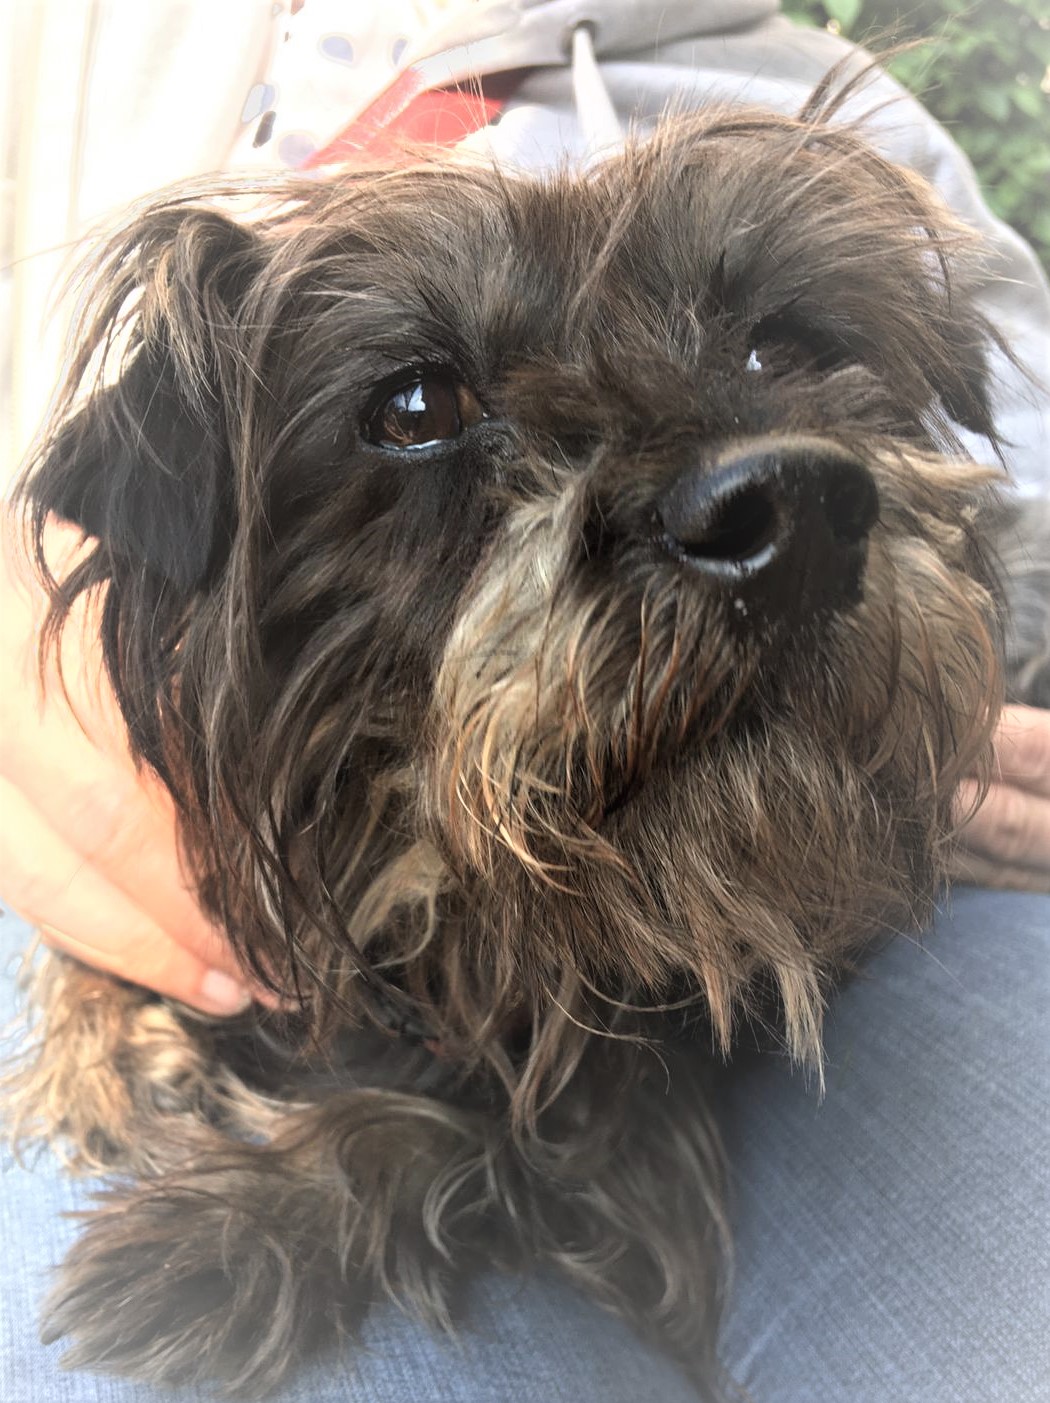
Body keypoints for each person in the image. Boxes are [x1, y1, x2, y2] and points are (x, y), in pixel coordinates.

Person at [2, 4, 1048, 1400]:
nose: (769, 481)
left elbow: (1010, 484)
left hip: (914, 897)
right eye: (421, 414)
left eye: (782, 350)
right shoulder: (84, 50)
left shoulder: (835, 101)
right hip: (143, 867)